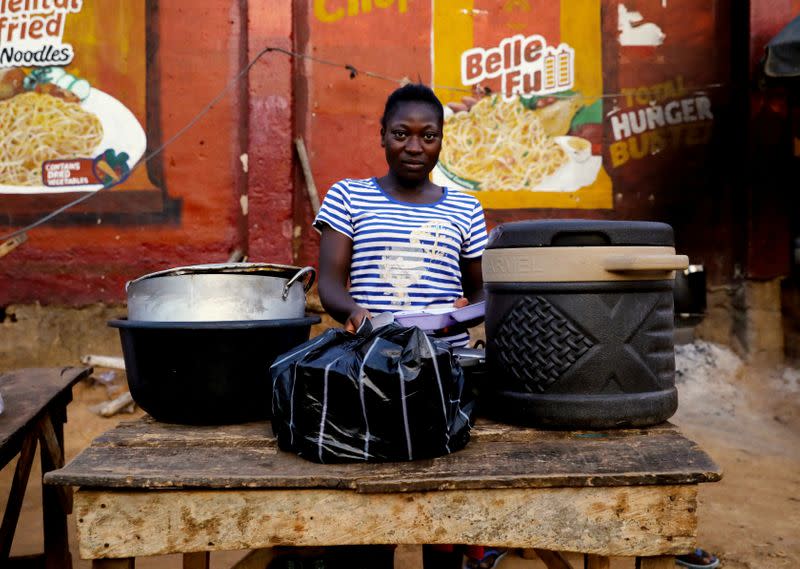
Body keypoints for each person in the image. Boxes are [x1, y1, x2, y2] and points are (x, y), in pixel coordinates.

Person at [312, 82, 489, 569]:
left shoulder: (465, 208)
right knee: (372, 501)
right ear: (382, 136)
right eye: (401, 134)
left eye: (428, 136)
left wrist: (469, 316)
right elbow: (329, 284)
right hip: (371, 367)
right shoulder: (348, 198)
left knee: (442, 502)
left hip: (442, 370)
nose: (414, 146)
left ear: (441, 139)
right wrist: (356, 314)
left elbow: (480, 292)